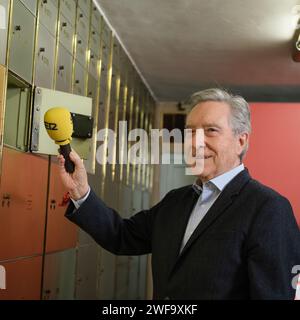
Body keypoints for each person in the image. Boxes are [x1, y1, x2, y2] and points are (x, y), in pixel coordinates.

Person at [58, 88, 300, 300]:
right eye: (191, 131)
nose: (196, 143)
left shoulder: (268, 208)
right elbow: (122, 236)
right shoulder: (177, 200)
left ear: (241, 141)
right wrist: (81, 192)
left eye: (211, 130)